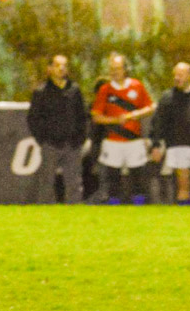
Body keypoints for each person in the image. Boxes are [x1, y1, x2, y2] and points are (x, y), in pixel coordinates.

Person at [90, 53, 155, 204]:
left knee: (138, 176)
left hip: (134, 140)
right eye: (112, 69)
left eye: (118, 69)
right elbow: (96, 116)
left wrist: (135, 114)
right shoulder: (105, 90)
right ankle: (114, 208)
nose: (114, 72)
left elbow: (150, 107)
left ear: (125, 70)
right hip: (113, 141)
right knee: (113, 178)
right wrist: (115, 120)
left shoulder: (136, 86)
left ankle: (139, 206)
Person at [149, 62, 190, 204]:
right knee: (183, 186)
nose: (177, 78)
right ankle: (183, 215)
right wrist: (155, 145)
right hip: (177, 145)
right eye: (175, 75)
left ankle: (189, 202)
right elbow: (158, 122)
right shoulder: (168, 97)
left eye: (181, 75)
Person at [26, 54, 89, 204]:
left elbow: (82, 116)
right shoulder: (41, 92)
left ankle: (75, 214)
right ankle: (45, 215)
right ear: (49, 69)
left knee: (74, 182)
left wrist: (80, 138)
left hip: (72, 145)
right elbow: (33, 119)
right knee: (46, 182)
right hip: (51, 145)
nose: (61, 68)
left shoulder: (74, 90)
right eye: (57, 65)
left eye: (64, 65)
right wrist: (43, 140)